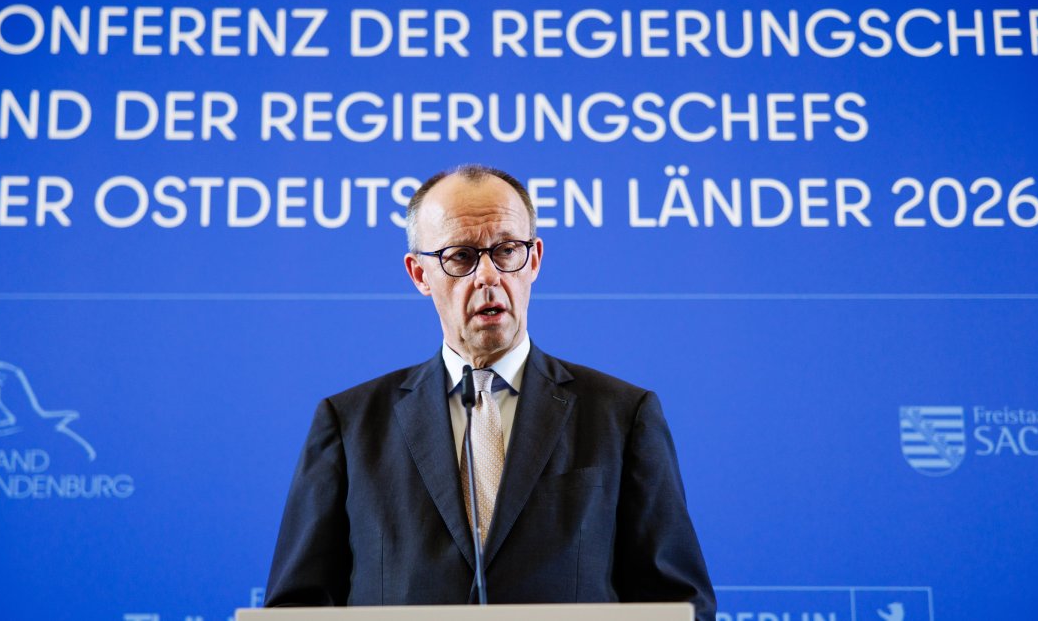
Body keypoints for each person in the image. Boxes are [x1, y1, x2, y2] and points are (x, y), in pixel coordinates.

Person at [265, 164, 715, 620]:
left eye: (505, 251)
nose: (488, 276)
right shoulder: (349, 424)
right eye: (461, 256)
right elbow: (295, 608)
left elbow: (680, 606)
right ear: (419, 274)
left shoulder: (622, 416)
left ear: (534, 259)